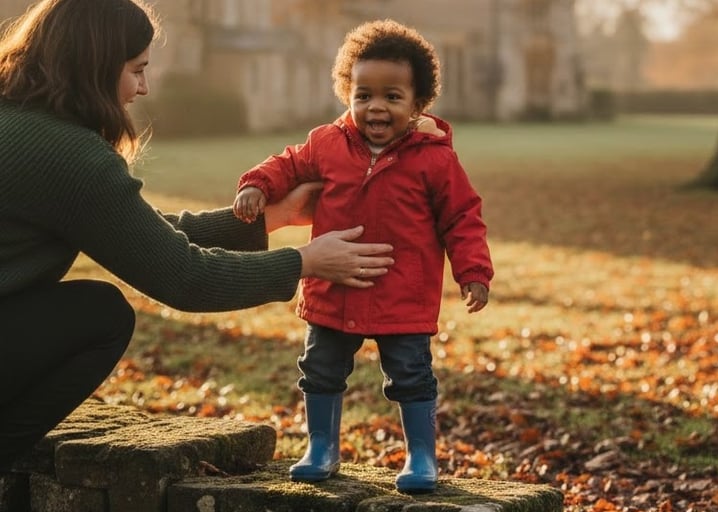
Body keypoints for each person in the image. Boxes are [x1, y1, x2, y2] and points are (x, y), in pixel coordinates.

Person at [0, 0, 397, 469]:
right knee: (101, 314)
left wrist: (270, 218)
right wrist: (305, 262)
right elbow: (184, 278)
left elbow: (137, 233)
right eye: (136, 69)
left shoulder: (17, 121)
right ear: (95, 66)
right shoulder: (69, 155)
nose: (143, 87)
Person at [233, 19, 494, 493]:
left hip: (403, 294)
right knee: (320, 368)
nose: (376, 106)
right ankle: (322, 448)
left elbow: (463, 217)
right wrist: (256, 184)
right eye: (363, 95)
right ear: (347, 94)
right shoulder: (327, 144)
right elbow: (287, 163)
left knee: (411, 375)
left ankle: (420, 456)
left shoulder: (435, 160)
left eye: (392, 97)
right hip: (334, 289)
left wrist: (473, 271)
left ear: (418, 104)